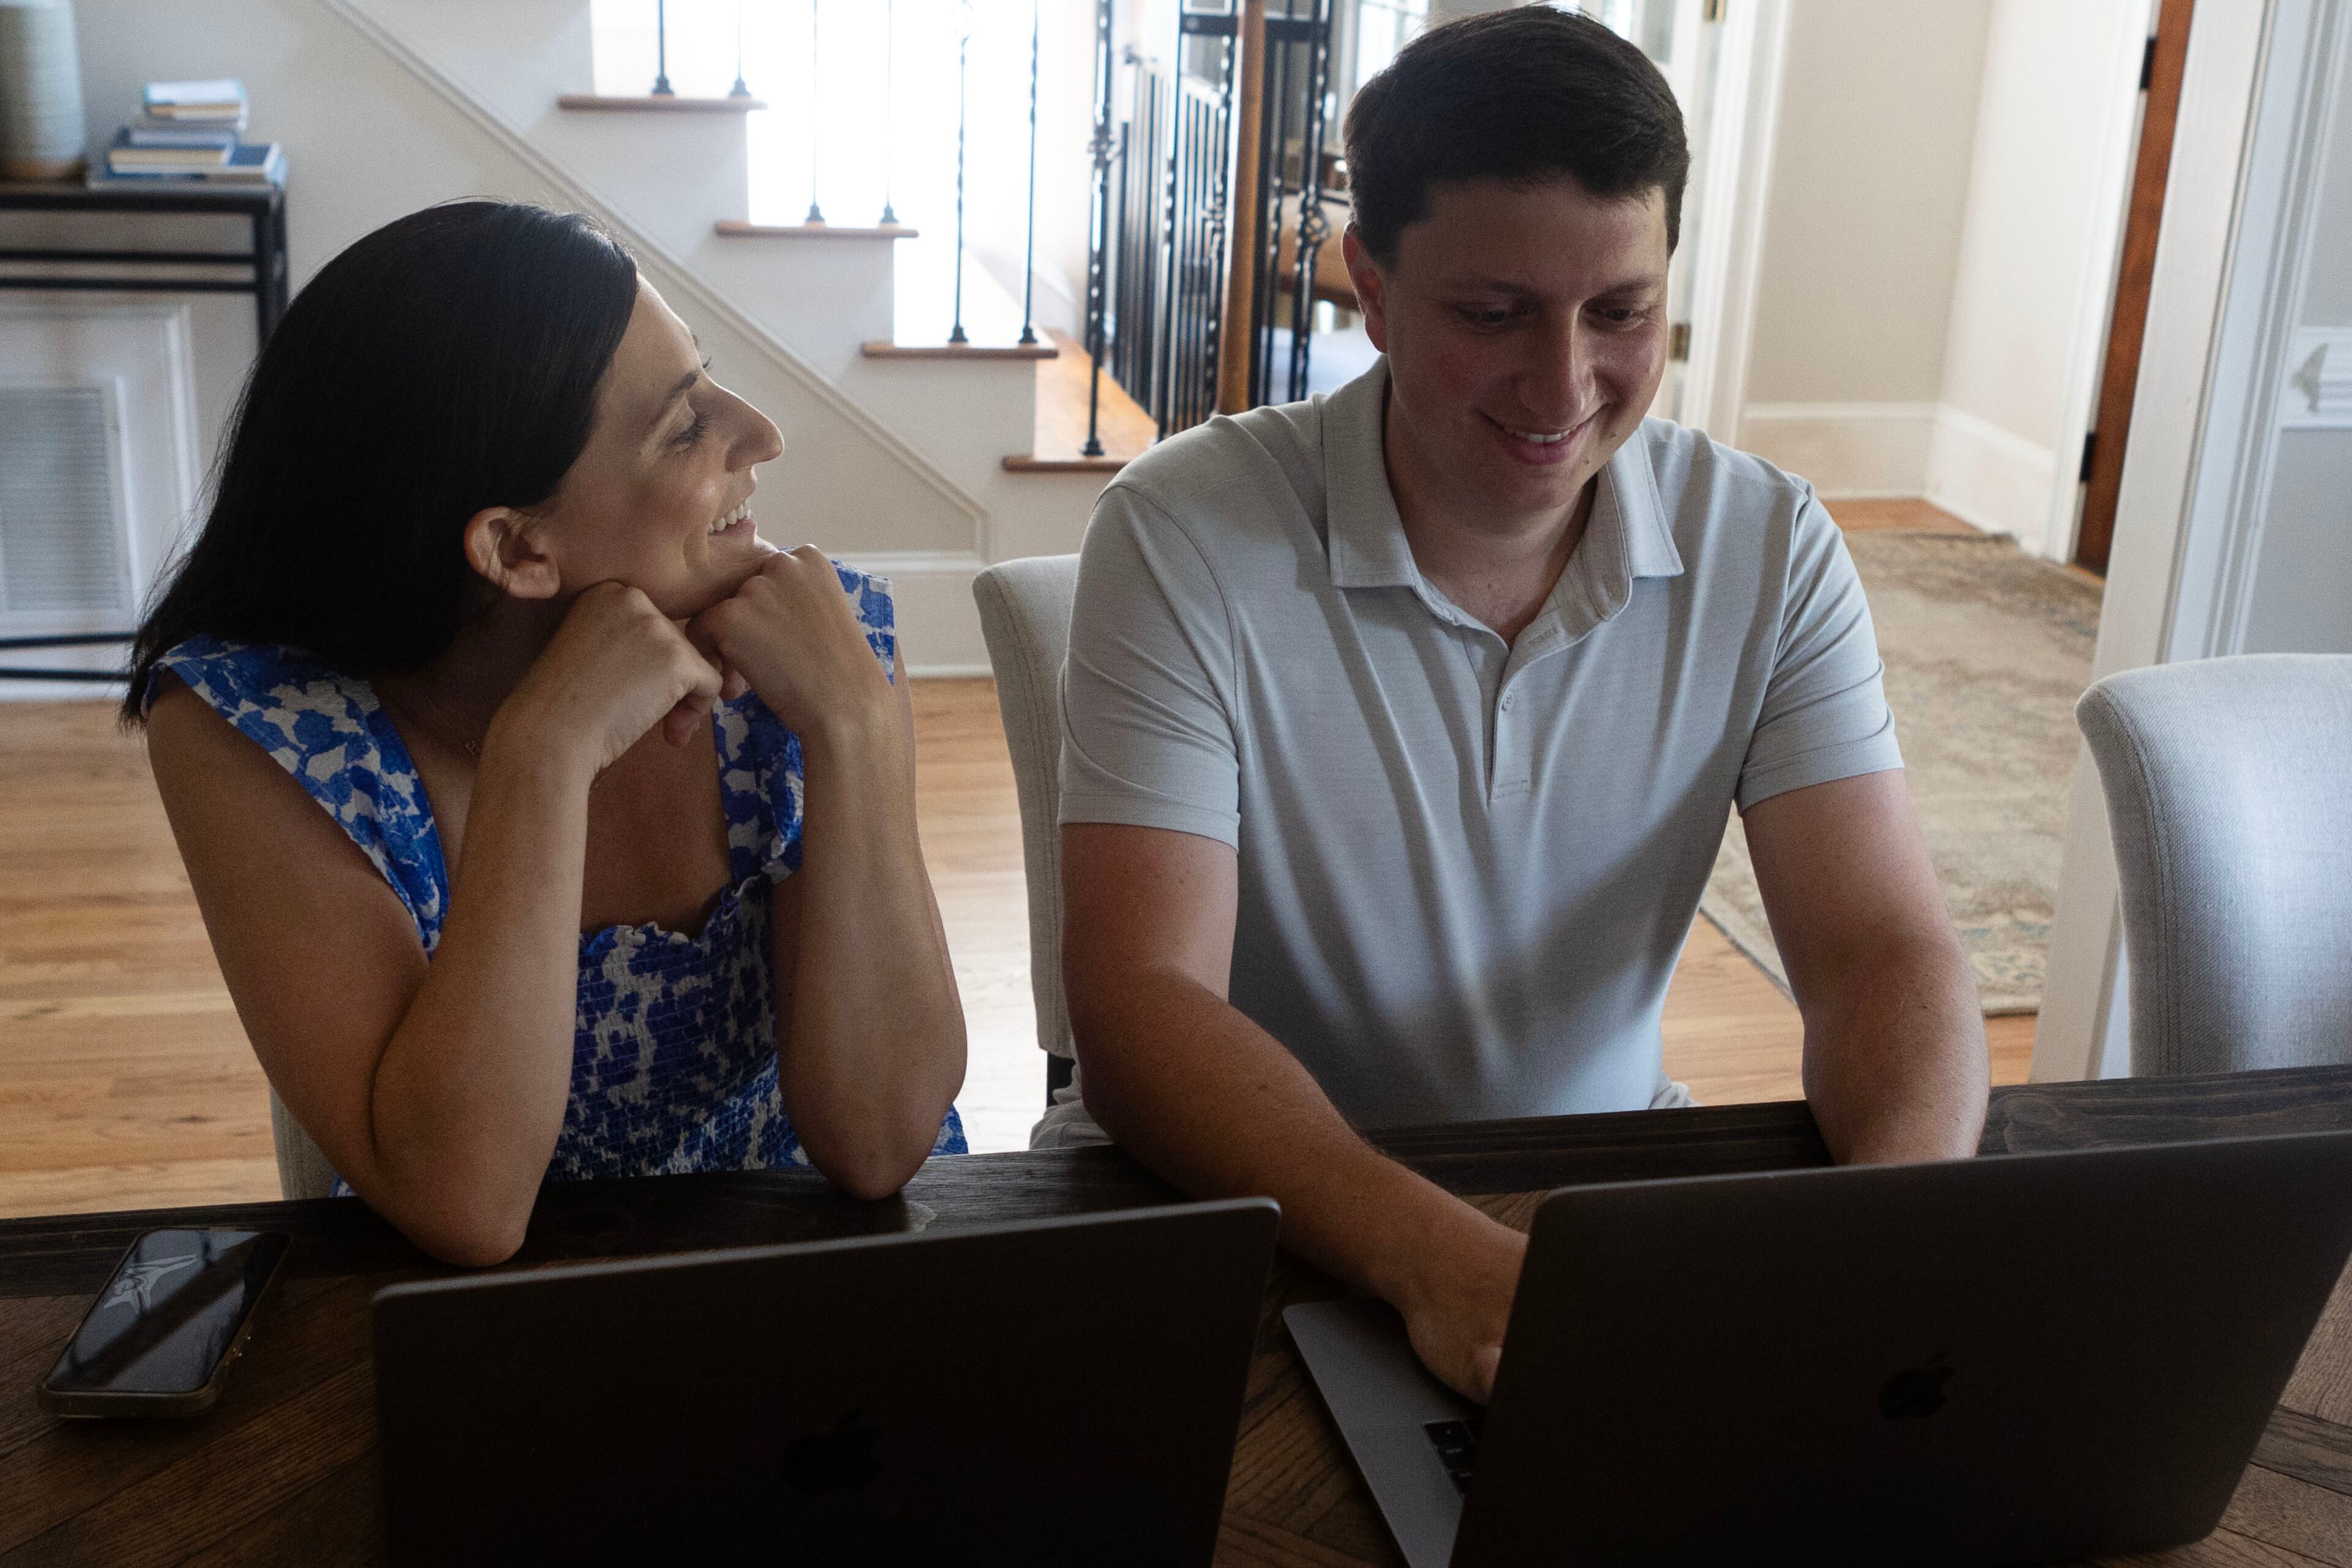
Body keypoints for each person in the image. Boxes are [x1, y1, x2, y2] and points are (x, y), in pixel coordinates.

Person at [1052, 9, 1989, 1403]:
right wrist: (1445, 1261)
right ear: (1370, 288)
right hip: (1245, 1204)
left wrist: (1883, 1247)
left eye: (1621, 312)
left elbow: (1880, 949)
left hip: (1598, 1209)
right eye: (1493, 315)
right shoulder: (1186, 532)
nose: (1564, 386)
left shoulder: (1771, 543)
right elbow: (1139, 1006)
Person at [127, 201, 967, 1267]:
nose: (760, 432)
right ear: (517, 548)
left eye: (706, 377)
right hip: (478, 1338)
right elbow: (465, 1205)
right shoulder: (254, 730)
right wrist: (544, 756)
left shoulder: (807, 656)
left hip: (807, 1280)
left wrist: (853, 727)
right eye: (684, 425)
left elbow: (882, 1142)